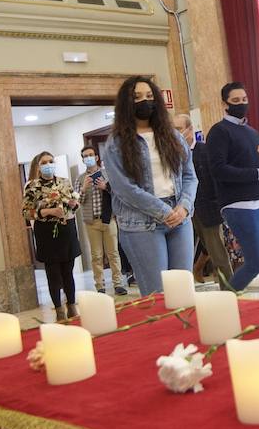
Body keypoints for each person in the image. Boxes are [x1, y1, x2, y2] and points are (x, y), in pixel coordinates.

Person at [102, 78, 197, 295]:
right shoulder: (115, 144)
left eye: (149, 96)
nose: (144, 101)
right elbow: (124, 188)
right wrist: (163, 211)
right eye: (137, 97)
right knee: (158, 295)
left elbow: (190, 176)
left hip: (179, 218)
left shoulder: (172, 136)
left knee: (183, 291)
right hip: (140, 224)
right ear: (126, 103)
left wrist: (183, 207)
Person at [206, 82, 259, 293]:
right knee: (255, 262)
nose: (241, 104)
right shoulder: (219, 131)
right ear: (225, 103)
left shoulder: (250, 132)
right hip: (240, 205)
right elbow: (219, 170)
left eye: (244, 100)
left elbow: (253, 164)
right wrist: (258, 173)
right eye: (235, 101)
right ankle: (223, 302)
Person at [174, 113, 234, 287]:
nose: (175, 134)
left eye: (178, 129)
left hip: (208, 209)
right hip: (183, 212)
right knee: (194, 250)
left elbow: (216, 180)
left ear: (190, 130)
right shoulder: (174, 156)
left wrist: (221, 205)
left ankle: (230, 290)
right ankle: (195, 273)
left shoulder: (206, 150)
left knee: (217, 252)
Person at [23, 151, 82, 320]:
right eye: (44, 162)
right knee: (53, 273)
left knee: (68, 272)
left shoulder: (64, 182)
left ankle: (72, 306)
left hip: (66, 230)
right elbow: (26, 212)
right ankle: (59, 310)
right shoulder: (32, 187)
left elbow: (74, 205)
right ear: (38, 166)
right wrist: (49, 211)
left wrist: (73, 204)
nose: (48, 165)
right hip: (46, 233)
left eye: (51, 161)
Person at [77, 145, 127, 296]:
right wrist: (84, 188)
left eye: (91, 155)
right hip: (91, 222)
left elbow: (118, 194)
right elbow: (76, 201)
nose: (89, 158)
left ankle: (118, 284)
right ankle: (100, 286)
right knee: (96, 255)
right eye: (85, 156)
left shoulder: (108, 173)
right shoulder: (80, 178)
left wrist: (105, 187)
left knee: (113, 253)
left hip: (109, 219)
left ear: (97, 157)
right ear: (83, 160)